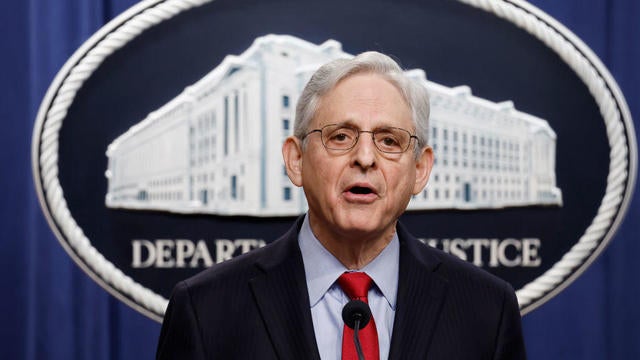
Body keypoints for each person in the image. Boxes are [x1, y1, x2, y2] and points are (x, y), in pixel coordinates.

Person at [156, 51, 526, 359]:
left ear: (419, 169)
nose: (365, 157)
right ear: (296, 160)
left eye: (389, 141)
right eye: (340, 136)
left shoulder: (487, 310)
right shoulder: (205, 310)